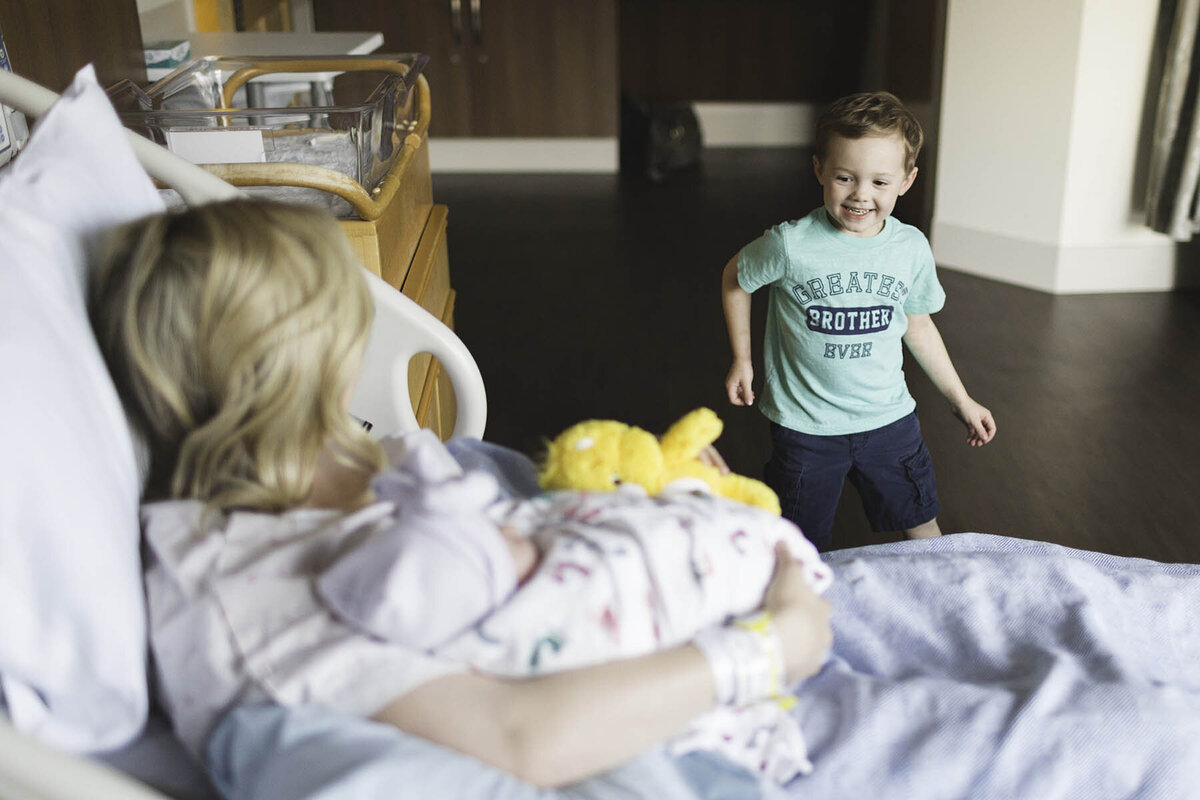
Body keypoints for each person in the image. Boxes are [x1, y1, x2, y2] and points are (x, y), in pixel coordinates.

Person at [87, 198, 833, 789]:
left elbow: (522, 548)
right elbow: (524, 736)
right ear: (313, 360)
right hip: (699, 688)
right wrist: (774, 649)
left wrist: (660, 497)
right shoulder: (244, 591)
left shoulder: (377, 457)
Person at [314, 427, 834, 782]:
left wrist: (670, 495)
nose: (506, 532)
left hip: (744, 553)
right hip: (749, 603)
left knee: (472, 455)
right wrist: (772, 648)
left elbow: (557, 516)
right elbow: (531, 723)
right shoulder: (515, 629)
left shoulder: (495, 528)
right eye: (497, 545)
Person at [721, 91, 996, 551]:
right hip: (805, 427)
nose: (861, 195)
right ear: (819, 170)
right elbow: (736, 277)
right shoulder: (792, 245)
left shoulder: (910, 249)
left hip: (890, 420)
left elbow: (919, 325)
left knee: (922, 528)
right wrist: (742, 359)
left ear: (906, 181)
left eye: (880, 182)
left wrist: (960, 399)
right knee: (797, 545)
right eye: (845, 177)